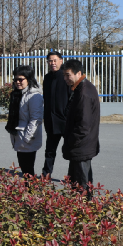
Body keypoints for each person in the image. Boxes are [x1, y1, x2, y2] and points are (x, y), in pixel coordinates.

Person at [61, 59, 100, 190]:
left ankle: (86, 202)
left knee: (82, 184)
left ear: (78, 73)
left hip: (81, 145)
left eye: (68, 75)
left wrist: (71, 142)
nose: (65, 78)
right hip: (81, 145)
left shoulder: (84, 92)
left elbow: (83, 125)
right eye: (64, 75)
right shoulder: (81, 88)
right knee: (78, 181)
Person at [5, 65, 44, 177]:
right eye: (15, 79)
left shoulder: (34, 96)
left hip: (28, 139)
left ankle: (31, 187)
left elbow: (35, 119)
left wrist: (27, 138)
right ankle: (29, 187)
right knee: (24, 169)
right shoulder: (17, 94)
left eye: (21, 79)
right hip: (19, 137)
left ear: (29, 79)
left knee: (28, 170)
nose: (17, 82)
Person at [42, 51, 71, 177]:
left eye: (55, 60)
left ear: (61, 61)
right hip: (51, 121)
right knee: (49, 151)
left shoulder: (66, 76)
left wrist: (67, 114)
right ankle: (46, 175)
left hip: (65, 121)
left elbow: (72, 98)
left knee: (70, 151)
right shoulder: (47, 78)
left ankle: (73, 177)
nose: (52, 63)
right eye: (50, 61)